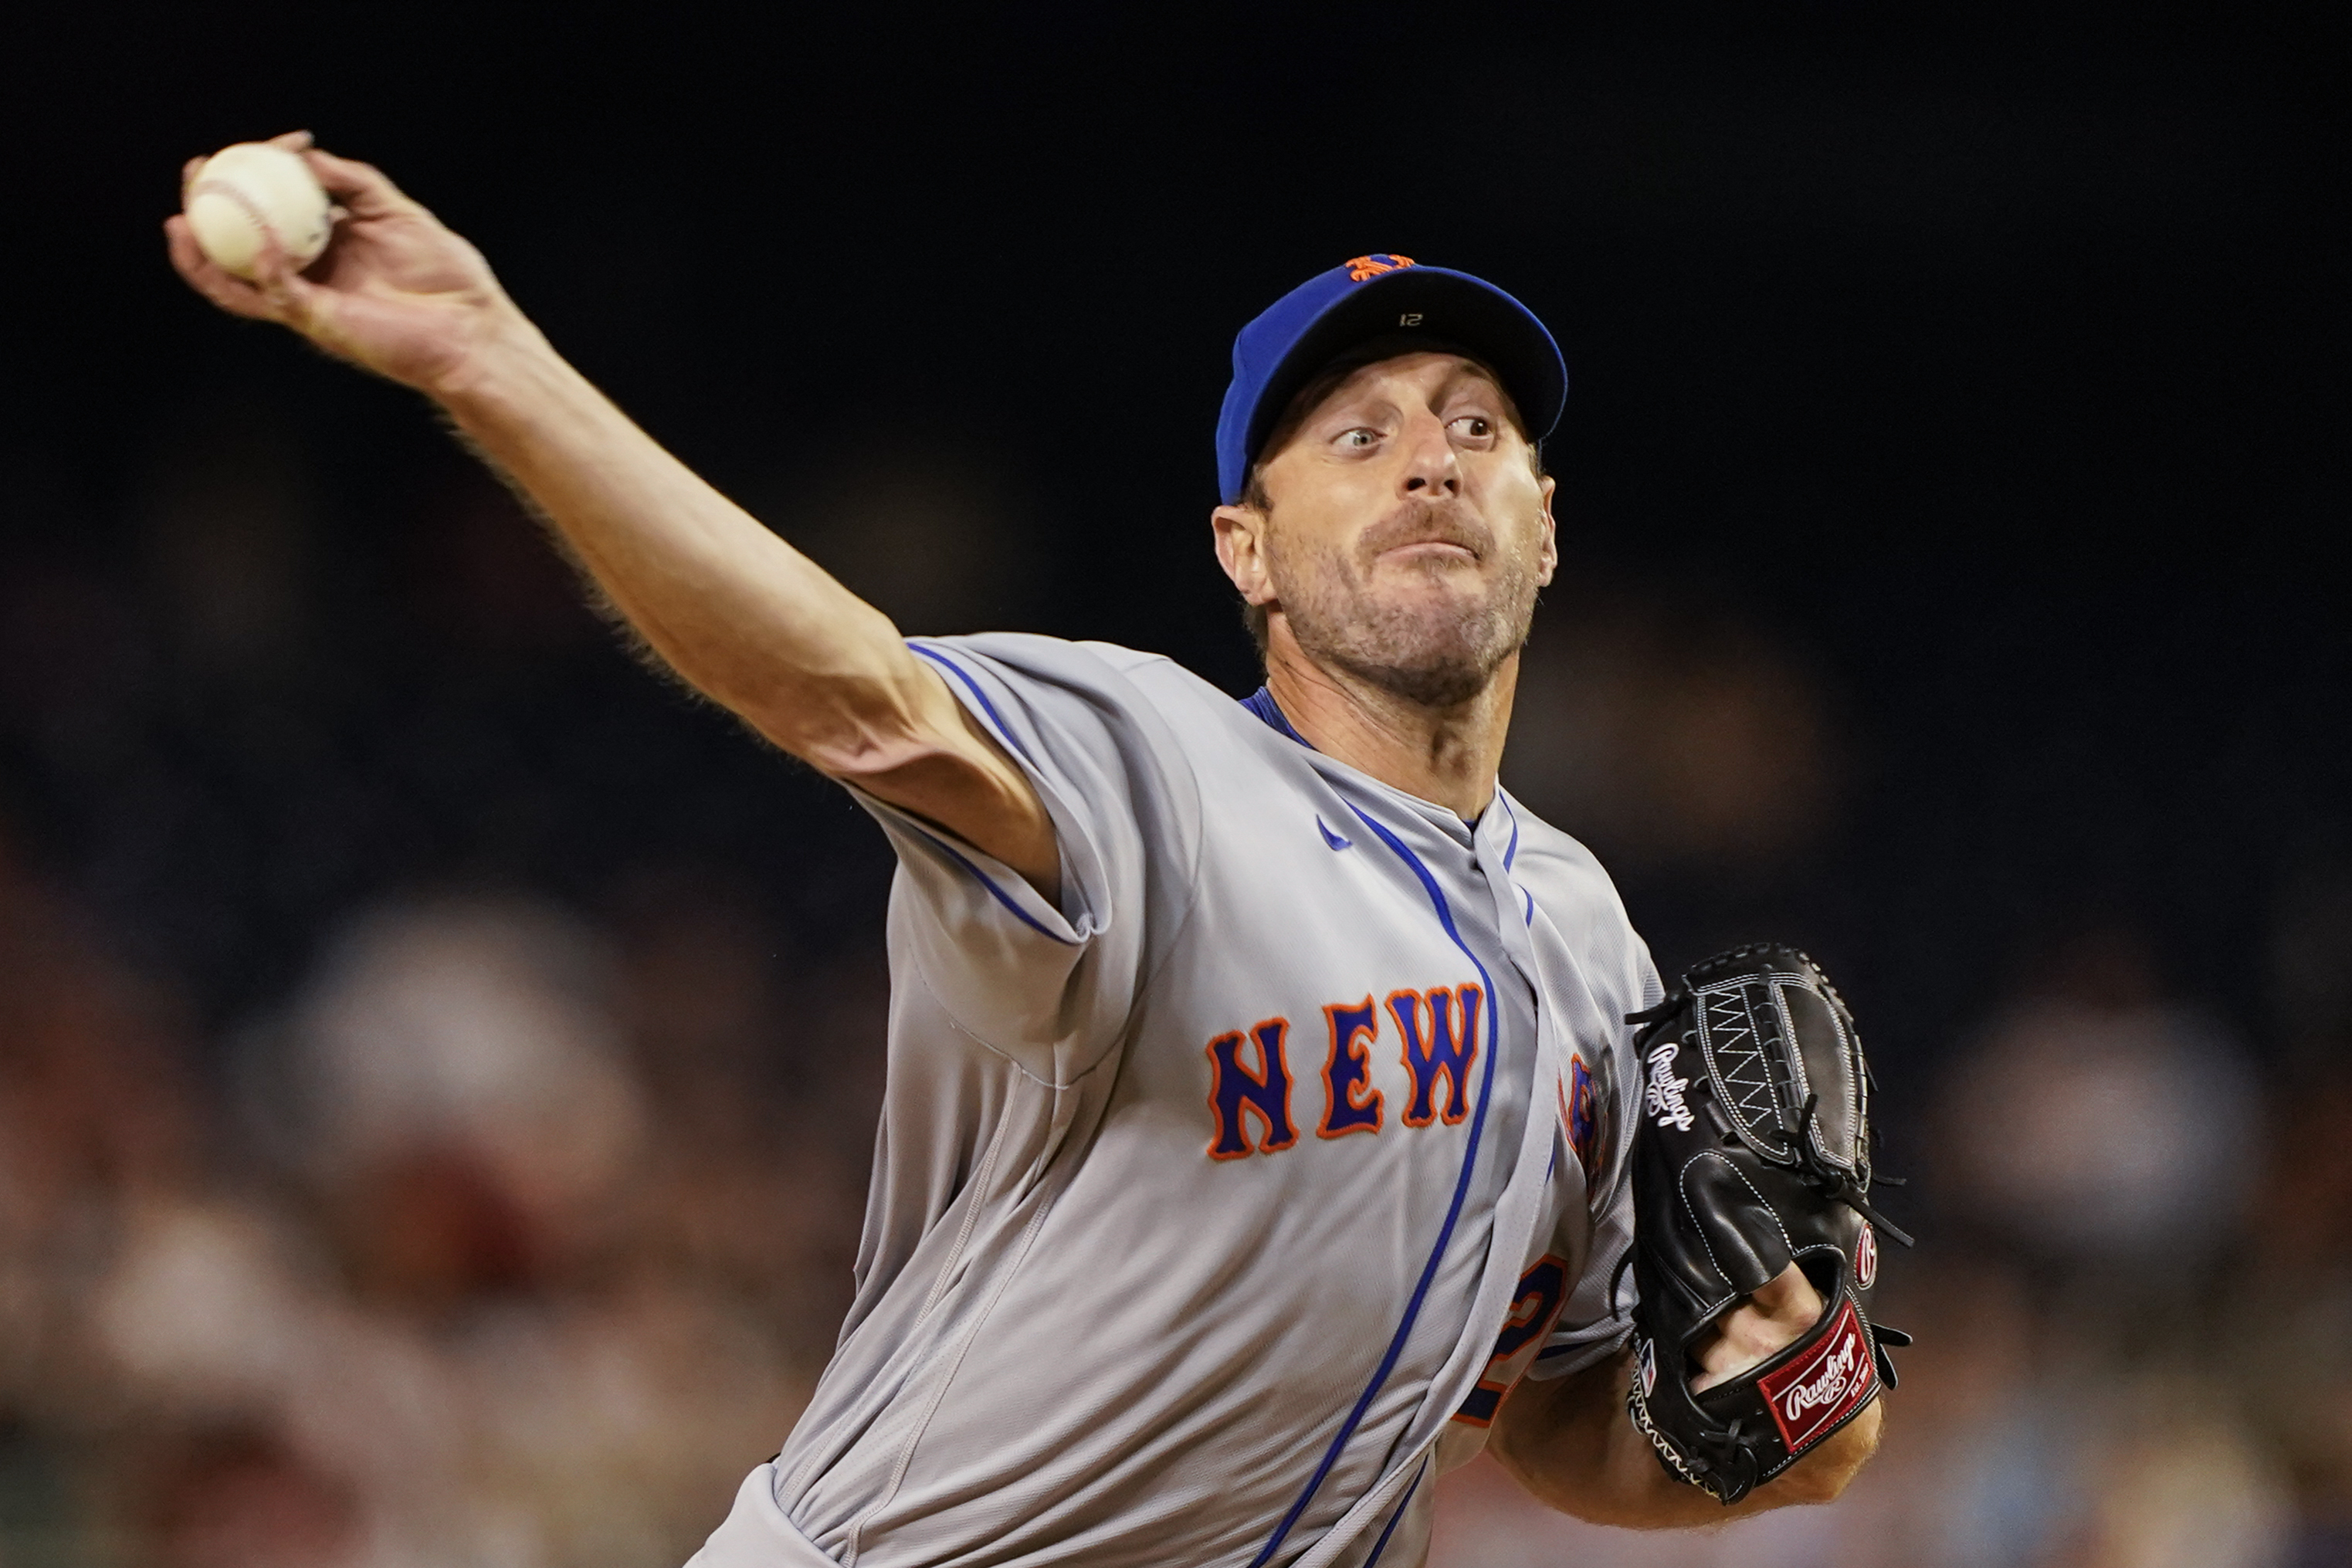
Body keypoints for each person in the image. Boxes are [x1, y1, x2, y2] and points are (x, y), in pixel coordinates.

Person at [168, 132, 1880, 1568]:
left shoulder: (1587, 937)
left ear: (1543, 526)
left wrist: (1791, 1398)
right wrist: (489, 355)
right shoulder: (1150, 764)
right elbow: (860, 701)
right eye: (1354, 436)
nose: (1427, 457)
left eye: (1473, 427)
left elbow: (1563, 1417)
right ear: (1248, 551)